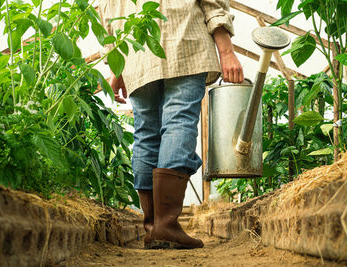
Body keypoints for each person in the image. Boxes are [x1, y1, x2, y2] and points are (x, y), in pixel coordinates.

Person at [99, 0, 243, 249]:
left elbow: (108, 15)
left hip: (136, 57)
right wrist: (227, 51)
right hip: (184, 42)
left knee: (146, 133)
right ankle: (165, 225)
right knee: (179, 122)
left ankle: (153, 227)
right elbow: (213, 5)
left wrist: (117, 70)